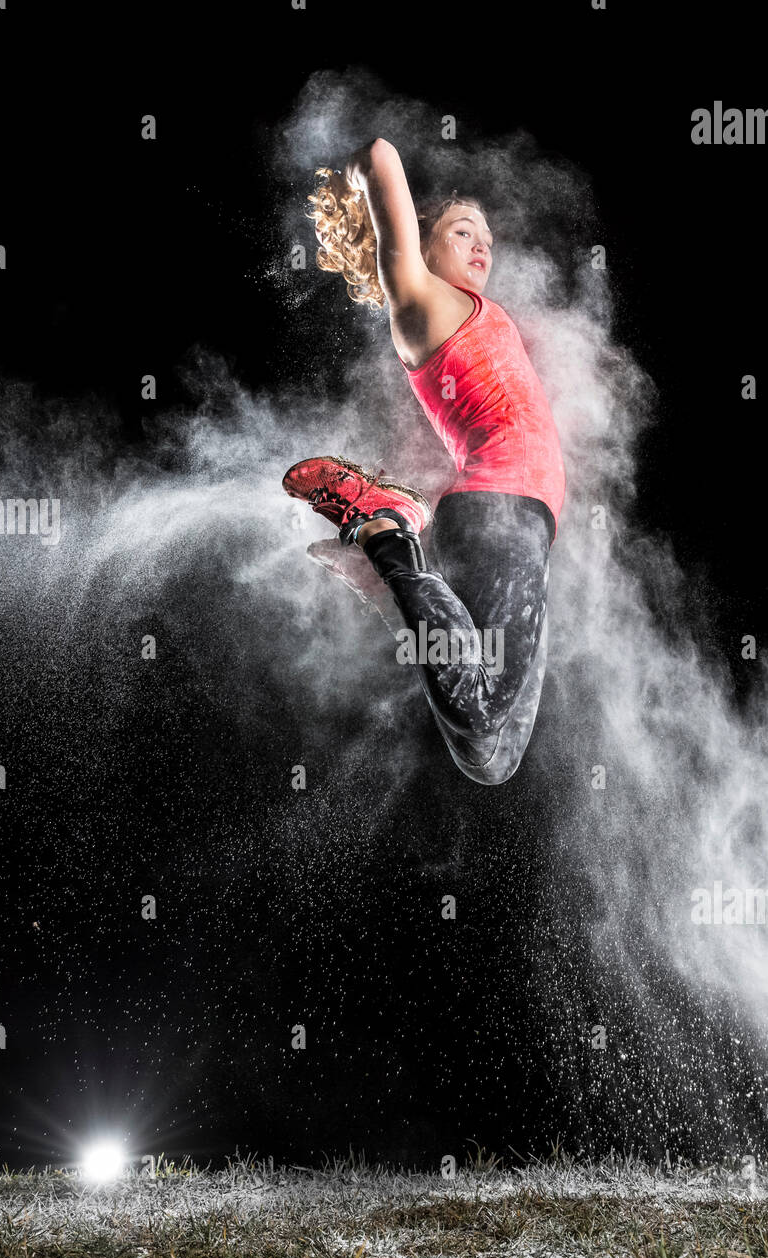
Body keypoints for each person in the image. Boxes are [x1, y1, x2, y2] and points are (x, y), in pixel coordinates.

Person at [283, 138, 565, 784]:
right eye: (463, 230)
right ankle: (385, 535)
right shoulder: (417, 302)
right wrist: (359, 176)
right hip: (501, 515)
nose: (482, 244)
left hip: (515, 527)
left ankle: (388, 583)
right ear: (422, 245)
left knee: (488, 759)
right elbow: (381, 154)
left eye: (488, 237)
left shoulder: (475, 310)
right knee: (478, 708)